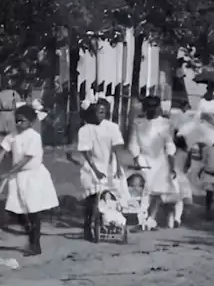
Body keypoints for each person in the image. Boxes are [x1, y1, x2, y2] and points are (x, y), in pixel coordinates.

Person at [0, 104, 59, 255]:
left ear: (30, 121)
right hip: (18, 177)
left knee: (33, 211)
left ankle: (35, 245)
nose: (18, 124)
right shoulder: (13, 135)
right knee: (16, 209)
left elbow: (26, 159)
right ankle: (29, 231)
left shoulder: (34, 137)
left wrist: (10, 172)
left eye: (21, 121)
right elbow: (2, 152)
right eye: (16, 121)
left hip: (33, 176)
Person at [72, 99, 124, 242]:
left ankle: (110, 224)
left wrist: (118, 166)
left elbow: (117, 147)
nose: (101, 115)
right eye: (98, 112)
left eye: (104, 112)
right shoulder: (85, 130)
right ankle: (88, 225)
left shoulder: (112, 127)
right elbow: (86, 152)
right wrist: (95, 170)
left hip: (109, 165)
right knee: (93, 198)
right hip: (91, 166)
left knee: (111, 198)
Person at [128, 95, 177, 228]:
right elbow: (133, 143)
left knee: (158, 191)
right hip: (144, 158)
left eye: (154, 107)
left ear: (158, 108)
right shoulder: (138, 123)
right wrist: (137, 157)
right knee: (144, 189)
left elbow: (169, 144)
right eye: (149, 107)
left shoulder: (166, 124)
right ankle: (142, 216)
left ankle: (151, 217)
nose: (152, 110)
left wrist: (171, 164)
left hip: (160, 160)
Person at [0, 82, 20, 156]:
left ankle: (0, 153)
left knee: (0, 135)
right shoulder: (14, 93)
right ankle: (13, 151)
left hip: (1, 114)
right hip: (11, 114)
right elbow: (18, 105)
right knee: (12, 133)